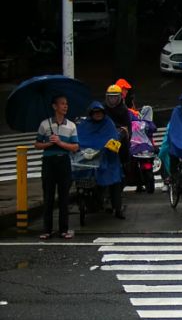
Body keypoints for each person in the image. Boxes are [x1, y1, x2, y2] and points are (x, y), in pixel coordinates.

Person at [34, 94, 79, 239]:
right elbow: (37, 144)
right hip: (49, 163)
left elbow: (75, 147)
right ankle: (47, 229)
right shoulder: (44, 125)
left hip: (63, 162)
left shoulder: (71, 125)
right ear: (54, 106)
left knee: (64, 197)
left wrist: (60, 143)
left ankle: (63, 230)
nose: (65, 106)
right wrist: (49, 143)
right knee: (48, 196)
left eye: (66, 104)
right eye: (62, 104)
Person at [77, 102, 125, 219]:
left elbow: (114, 138)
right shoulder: (84, 125)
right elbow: (79, 139)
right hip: (89, 158)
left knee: (115, 181)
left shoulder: (108, 123)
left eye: (100, 112)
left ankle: (117, 209)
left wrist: (110, 146)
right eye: (95, 113)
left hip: (108, 159)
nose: (98, 115)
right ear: (91, 114)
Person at [103, 84, 133, 166]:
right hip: (105, 137)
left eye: (115, 97)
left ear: (119, 97)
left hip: (120, 140)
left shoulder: (124, 109)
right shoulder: (103, 108)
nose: (112, 99)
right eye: (110, 97)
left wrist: (124, 133)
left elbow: (128, 128)